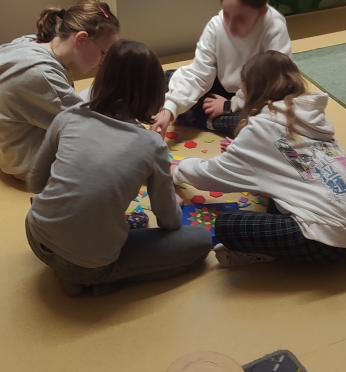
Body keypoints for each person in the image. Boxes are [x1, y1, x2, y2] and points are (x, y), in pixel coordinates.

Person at [25, 39, 211, 296]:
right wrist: (174, 204)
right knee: (200, 241)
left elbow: (35, 182)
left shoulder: (68, 116)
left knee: (96, 222)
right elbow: (168, 221)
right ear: (154, 92)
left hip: (36, 235)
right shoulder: (151, 144)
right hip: (87, 263)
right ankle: (94, 280)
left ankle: (71, 265)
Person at [173, 50, 346, 266]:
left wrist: (177, 171)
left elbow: (213, 175)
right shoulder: (312, 119)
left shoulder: (261, 127)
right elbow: (289, 159)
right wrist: (247, 153)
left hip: (331, 241)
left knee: (227, 224)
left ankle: (269, 253)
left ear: (253, 89)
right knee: (272, 192)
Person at [0, 0, 119, 183]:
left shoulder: (37, 43)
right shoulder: (41, 75)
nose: (103, 61)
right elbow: (88, 128)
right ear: (80, 39)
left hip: (18, 143)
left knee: (107, 92)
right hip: (27, 160)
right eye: (103, 53)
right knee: (116, 162)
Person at [152, 0, 291, 139]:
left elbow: (271, 83)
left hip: (256, 96)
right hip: (222, 88)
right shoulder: (216, 26)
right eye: (226, 14)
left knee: (270, 119)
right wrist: (170, 108)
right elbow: (199, 73)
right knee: (168, 79)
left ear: (261, 12)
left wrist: (229, 105)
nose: (230, 25)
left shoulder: (274, 28)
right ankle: (203, 118)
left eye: (240, 19)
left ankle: (204, 120)